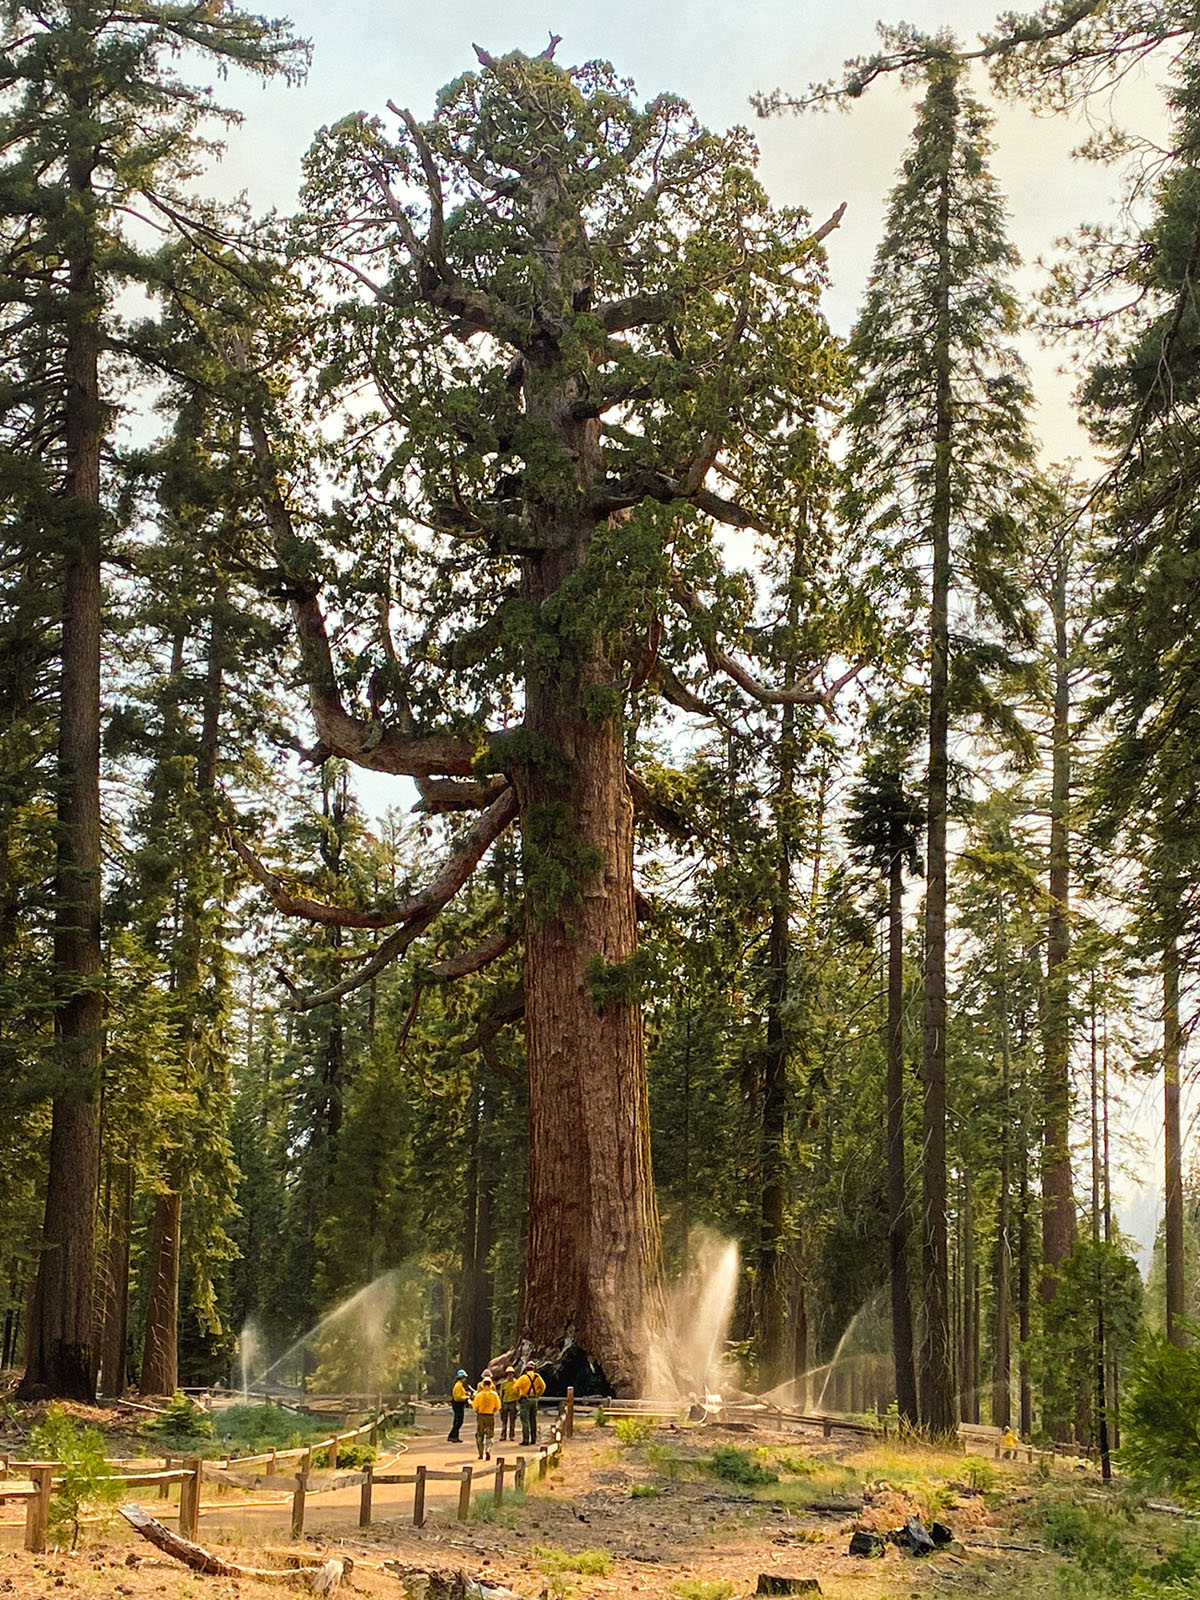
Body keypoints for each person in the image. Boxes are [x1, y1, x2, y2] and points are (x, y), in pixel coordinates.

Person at [472, 1372, 501, 1459]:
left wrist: (478, 1411)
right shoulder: (494, 1395)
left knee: (479, 1435)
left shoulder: (479, 1395)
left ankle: (481, 1454)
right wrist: (492, 1410)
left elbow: (475, 1407)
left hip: (481, 1416)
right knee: (490, 1435)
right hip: (490, 1415)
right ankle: (488, 1449)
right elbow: (498, 1406)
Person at [516, 1360, 546, 1446]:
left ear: (526, 1369)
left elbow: (515, 1387)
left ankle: (526, 1440)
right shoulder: (538, 1377)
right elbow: (543, 1387)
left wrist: (519, 1396)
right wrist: (538, 1395)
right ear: (534, 1369)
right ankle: (534, 1439)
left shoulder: (523, 1378)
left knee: (525, 1420)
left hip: (525, 1400)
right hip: (534, 1400)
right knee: (533, 1419)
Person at [448, 1368, 471, 1443]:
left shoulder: (459, 1385)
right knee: (459, 1421)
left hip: (458, 1404)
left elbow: (460, 1394)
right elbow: (458, 1397)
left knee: (457, 1421)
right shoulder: (458, 1385)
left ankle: (454, 1436)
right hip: (458, 1404)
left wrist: (466, 1393)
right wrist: (466, 1397)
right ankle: (452, 1435)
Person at [499, 1365, 520, 1442]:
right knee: (504, 1420)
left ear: (513, 1374)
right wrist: (500, 1405)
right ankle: (503, 1435)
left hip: (513, 1403)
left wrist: (517, 1404)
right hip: (505, 1403)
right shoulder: (503, 1384)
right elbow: (501, 1394)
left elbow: (519, 1393)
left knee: (512, 1421)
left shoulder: (517, 1382)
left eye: (511, 1373)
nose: (510, 1375)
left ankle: (512, 1435)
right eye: (508, 1373)